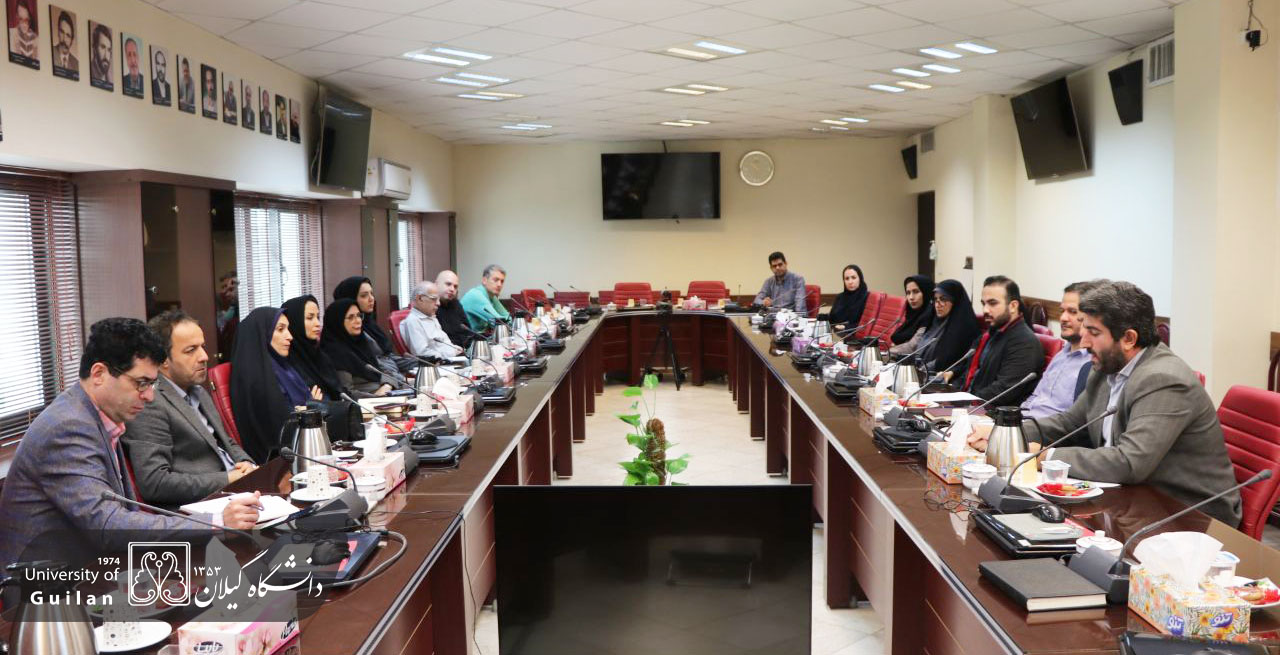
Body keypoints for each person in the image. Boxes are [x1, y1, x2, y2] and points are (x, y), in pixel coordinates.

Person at [972, 281, 1242, 527]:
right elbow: (1068, 423)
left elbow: (1129, 462)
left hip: (1191, 514)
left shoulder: (1163, 379)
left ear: (1129, 339)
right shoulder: (1106, 367)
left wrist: (1043, 457)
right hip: (1132, 497)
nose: (1084, 342)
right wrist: (1004, 433)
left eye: (1093, 332)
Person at [0, 318, 260, 568]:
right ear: (99, 374)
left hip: (94, 565)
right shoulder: (68, 427)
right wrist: (216, 522)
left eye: (152, 384)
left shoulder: (98, 415)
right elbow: (107, 525)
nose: (149, 396)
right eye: (141, 383)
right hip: (48, 583)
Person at [123, 311, 255, 509]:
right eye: (191, 350)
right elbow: (154, 482)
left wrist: (246, 464)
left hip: (237, 492)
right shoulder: (149, 402)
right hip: (202, 508)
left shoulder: (198, 390)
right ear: (163, 359)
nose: (204, 356)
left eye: (202, 347)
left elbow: (225, 442)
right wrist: (227, 479)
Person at [229, 306, 322, 464]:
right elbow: (279, 427)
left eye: (288, 329)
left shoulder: (282, 368)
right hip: (278, 462)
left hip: (303, 450)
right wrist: (311, 408)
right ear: (262, 334)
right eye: (280, 329)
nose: (290, 336)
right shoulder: (255, 377)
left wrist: (308, 408)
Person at [957, 275, 1043, 404]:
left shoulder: (1025, 342)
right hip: (972, 402)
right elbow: (969, 373)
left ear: (1013, 306)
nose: (985, 310)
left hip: (990, 411)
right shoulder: (991, 334)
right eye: (983, 304)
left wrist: (964, 403)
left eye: (992, 303)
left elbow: (1003, 391)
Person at [1020, 281, 1100, 418]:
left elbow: (1074, 420)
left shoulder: (1092, 364)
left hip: (1049, 428)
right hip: (1025, 420)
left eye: (1072, 312)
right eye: (1062, 311)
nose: (1063, 318)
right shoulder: (1061, 354)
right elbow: (1035, 396)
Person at [321, 299, 406, 397]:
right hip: (372, 402)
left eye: (359, 315)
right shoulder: (335, 353)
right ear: (337, 321)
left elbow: (384, 371)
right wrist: (377, 398)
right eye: (351, 317)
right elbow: (347, 394)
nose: (358, 321)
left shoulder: (361, 343)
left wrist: (387, 386)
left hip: (387, 392)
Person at [332, 275, 415, 374]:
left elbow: (388, 358)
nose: (371, 299)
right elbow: (374, 366)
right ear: (350, 298)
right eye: (364, 295)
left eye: (371, 293)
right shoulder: (349, 331)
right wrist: (398, 380)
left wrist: (420, 362)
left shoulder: (369, 324)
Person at [281, 295, 346, 400]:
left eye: (318, 317)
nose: (317, 323)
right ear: (295, 321)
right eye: (310, 318)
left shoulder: (320, 356)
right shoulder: (287, 364)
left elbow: (341, 392)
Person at [916, 279, 980, 373]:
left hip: (943, 376)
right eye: (935, 299)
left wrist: (920, 371)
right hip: (923, 372)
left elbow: (947, 361)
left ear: (955, 301)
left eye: (943, 299)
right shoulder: (934, 321)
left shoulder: (964, 328)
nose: (938, 305)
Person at [401, 281, 466, 362]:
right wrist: (451, 352)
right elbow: (422, 353)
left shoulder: (432, 317)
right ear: (420, 298)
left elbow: (444, 342)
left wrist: (454, 348)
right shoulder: (413, 321)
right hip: (436, 364)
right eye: (434, 299)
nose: (438, 303)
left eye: (438, 299)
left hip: (450, 359)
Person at [890, 275, 935, 349]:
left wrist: (889, 351)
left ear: (926, 292)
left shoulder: (929, 316)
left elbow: (912, 347)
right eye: (908, 293)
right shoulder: (912, 314)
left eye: (916, 292)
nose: (911, 297)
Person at [462, 264, 511, 332]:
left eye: (502, 281)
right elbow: (500, 322)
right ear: (484, 280)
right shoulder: (476, 295)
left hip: (478, 336)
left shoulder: (492, 296)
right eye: (496, 280)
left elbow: (507, 317)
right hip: (463, 337)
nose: (499, 284)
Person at [436, 269, 475, 349]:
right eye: (448, 284)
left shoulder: (456, 303)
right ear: (436, 284)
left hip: (462, 350)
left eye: (455, 286)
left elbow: (468, 332)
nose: (452, 289)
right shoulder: (429, 306)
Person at [828, 264, 869, 336]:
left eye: (853, 278)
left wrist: (846, 327)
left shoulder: (867, 298)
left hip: (856, 337)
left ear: (860, 278)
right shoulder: (840, 297)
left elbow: (867, 325)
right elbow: (832, 319)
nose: (850, 282)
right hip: (837, 335)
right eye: (847, 279)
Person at [52, 9, 77, 73]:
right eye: (62, 32)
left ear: (72, 40)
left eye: (68, 35)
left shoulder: (76, 64)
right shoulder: (51, 52)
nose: (64, 39)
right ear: (58, 32)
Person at [89, 23, 112, 87]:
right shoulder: (89, 73)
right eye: (102, 47)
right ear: (94, 49)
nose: (106, 56)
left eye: (109, 50)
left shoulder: (109, 79)